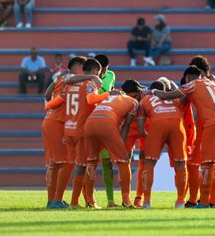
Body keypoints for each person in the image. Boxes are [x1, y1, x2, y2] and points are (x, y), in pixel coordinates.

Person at [153, 66, 215, 208]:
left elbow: (167, 96)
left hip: (213, 124)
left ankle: (203, 203)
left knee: (207, 165)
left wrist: (152, 91)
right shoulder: (213, 83)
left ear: (188, 77)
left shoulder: (192, 85)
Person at [45, 58, 116, 209]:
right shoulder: (89, 83)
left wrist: (49, 110)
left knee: (64, 164)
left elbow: (52, 102)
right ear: (95, 71)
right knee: (81, 165)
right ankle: (73, 202)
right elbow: (91, 100)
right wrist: (108, 94)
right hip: (80, 129)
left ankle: (55, 200)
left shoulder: (69, 84)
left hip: (67, 128)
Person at [85, 80, 143, 208]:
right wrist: (121, 146)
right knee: (123, 162)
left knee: (91, 161)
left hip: (90, 123)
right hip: (107, 122)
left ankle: (90, 201)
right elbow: (126, 126)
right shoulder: (134, 102)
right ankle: (126, 201)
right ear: (137, 93)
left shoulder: (111, 96)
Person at [137, 80, 188, 209]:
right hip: (177, 124)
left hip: (157, 124)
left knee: (149, 163)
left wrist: (153, 139)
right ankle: (180, 201)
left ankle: (147, 202)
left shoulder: (144, 101)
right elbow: (185, 97)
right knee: (180, 163)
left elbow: (141, 130)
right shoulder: (175, 99)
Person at [93, 54, 119, 208]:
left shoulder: (111, 75)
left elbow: (110, 91)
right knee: (87, 163)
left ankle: (110, 201)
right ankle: (88, 199)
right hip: (89, 120)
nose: (105, 72)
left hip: (105, 120)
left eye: (106, 69)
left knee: (107, 163)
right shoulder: (87, 78)